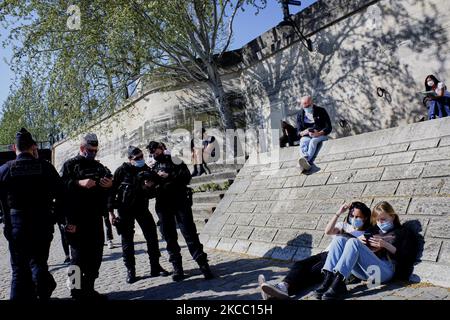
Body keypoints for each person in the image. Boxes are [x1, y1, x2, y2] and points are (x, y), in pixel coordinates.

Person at [258, 201, 372, 300]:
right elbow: (328, 231)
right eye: (352, 216)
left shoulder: (365, 234)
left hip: (336, 259)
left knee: (311, 273)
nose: (353, 219)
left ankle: (280, 291)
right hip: (325, 254)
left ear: (365, 218)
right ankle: (282, 287)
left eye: (357, 217)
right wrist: (339, 212)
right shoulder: (344, 226)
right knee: (300, 265)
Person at [0, 128, 63, 300]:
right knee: (39, 265)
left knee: (19, 272)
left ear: (14, 147)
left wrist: (6, 219)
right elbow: (62, 195)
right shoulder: (46, 167)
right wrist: (54, 217)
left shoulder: (5, 169)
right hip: (42, 225)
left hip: (16, 226)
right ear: (33, 147)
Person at [315, 201, 418, 300]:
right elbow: (360, 248)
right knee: (339, 239)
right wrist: (360, 241)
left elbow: (407, 257)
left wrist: (386, 245)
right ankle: (329, 279)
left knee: (353, 242)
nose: (379, 223)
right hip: (366, 271)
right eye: (377, 220)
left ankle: (338, 282)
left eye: (383, 219)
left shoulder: (403, 232)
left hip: (384, 271)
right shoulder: (373, 230)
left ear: (393, 216)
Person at [146, 141, 214, 281]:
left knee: (190, 234)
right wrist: (149, 185)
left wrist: (169, 177)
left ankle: (203, 265)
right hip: (163, 206)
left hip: (180, 202)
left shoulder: (176, 161)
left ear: (162, 148)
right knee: (169, 237)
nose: (155, 154)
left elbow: (186, 178)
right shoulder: (151, 167)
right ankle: (177, 268)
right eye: (152, 152)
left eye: (157, 150)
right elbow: (149, 193)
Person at [60, 133, 113, 300]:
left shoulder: (98, 167)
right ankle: (75, 291)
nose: (93, 153)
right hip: (76, 219)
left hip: (95, 218)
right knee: (77, 259)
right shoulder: (70, 165)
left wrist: (110, 184)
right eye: (90, 150)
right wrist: (78, 183)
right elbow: (61, 189)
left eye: (96, 150)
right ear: (82, 148)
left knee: (95, 256)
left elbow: (111, 180)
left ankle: (89, 289)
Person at [108, 146, 169, 284]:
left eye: (142, 156)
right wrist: (111, 213)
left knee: (152, 236)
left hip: (142, 208)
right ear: (130, 159)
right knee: (127, 241)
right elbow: (111, 192)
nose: (141, 160)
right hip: (124, 210)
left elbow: (153, 192)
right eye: (137, 158)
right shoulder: (121, 171)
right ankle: (131, 271)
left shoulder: (146, 169)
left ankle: (155, 266)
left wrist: (149, 186)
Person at [296, 96, 332, 171]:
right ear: (302, 105)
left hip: (321, 134)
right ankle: (304, 160)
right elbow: (298, 132)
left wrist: (319, 133)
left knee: (313, 141)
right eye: (304, 106)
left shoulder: (321, 111)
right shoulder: (300, 114)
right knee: (303, 141)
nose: (306, 107)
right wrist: (303, 132)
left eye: (308, 105)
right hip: (307, 135)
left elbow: (329, 127)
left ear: (312, 103)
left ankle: (305, 162)